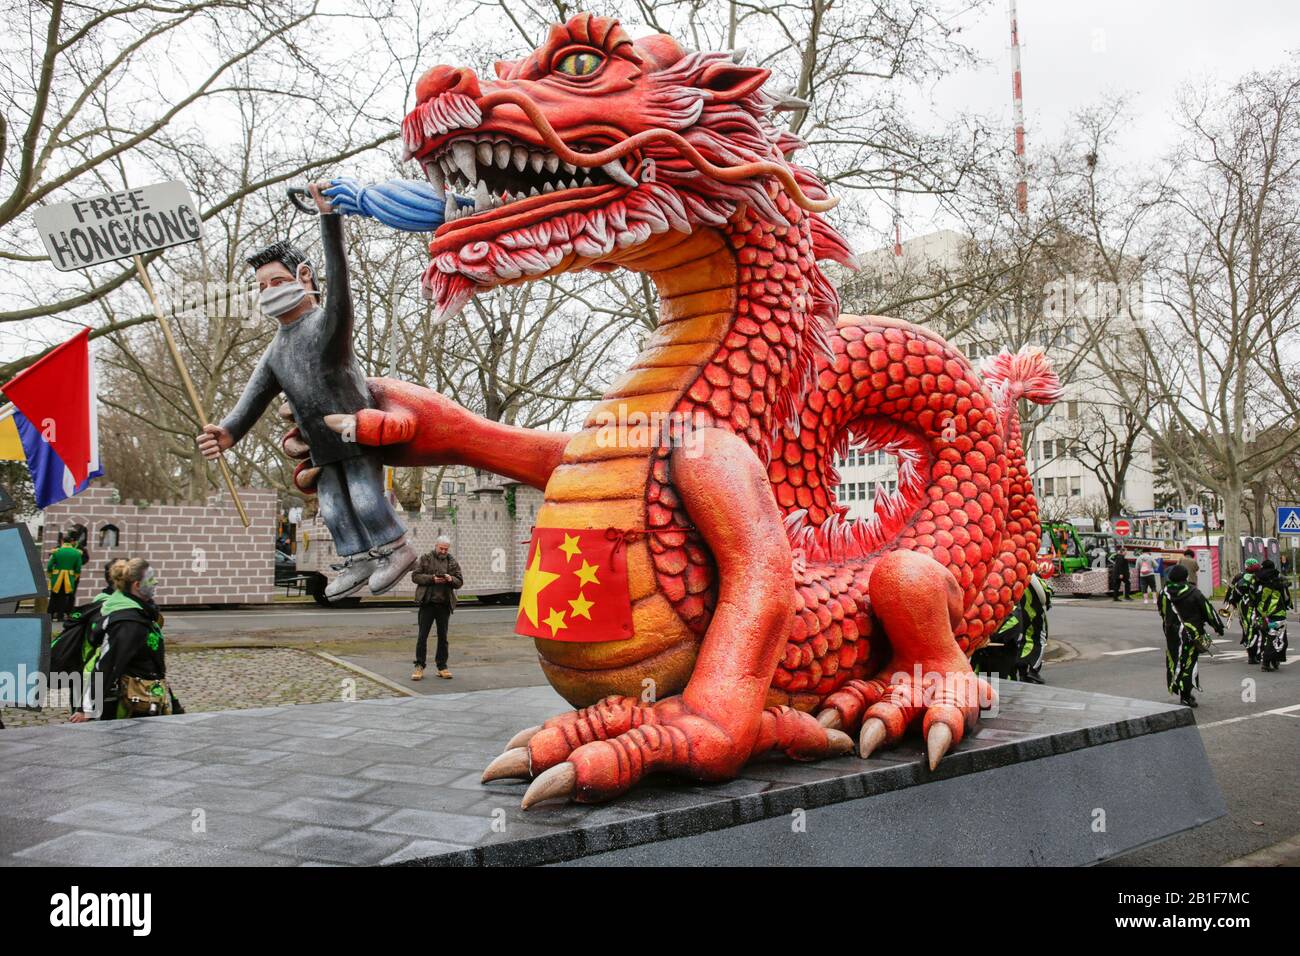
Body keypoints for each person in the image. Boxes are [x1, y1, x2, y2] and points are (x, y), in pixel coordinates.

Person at [196, 181, 414, 601]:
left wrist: (329, 220)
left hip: (356, 432)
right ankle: (357, 558)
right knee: (332, 510)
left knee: (367, 499)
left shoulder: (327, 326)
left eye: (275, 281)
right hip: (320, 446)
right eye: (260, 288)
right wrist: (227, 433)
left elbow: (342, 282)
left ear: (303, 278)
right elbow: (253, 399)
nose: (268, 292)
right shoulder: (275, 351)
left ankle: (397, 549)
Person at [72, 558, 171, 721]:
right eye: (151, 579)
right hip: (130, 703)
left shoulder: (140, 612)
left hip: (146, 695)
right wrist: (86, 709)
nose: (156, 582)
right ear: (137, 585)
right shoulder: (128, 623)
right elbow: (107, 663)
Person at [1157, 563, 1223, 708]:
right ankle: (1186, 695)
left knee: (1175, 661)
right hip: (1192, 634)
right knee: (1189, 663)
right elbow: (1208, 611)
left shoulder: (1164, 592)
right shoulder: (1194, 592)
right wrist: (1218, 627)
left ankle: (1177, 687)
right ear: (1185, 577)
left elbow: (1162, 612)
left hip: (1172, 634)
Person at [411, 536, 463, 681]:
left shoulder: (452, 561)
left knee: (443, 637)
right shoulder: (426, 558)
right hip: (427, 603)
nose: (444, 551)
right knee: (422, 636)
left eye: (446, 549)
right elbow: (415, 576)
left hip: (444, 605)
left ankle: (442, 666)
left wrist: (450, 579)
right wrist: (432, 579)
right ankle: (419, 666)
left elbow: (459, 582)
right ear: (436, 546)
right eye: (441, 548)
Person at [1252, 559, 1290, 672]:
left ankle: (1270, 660)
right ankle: (1267, 662)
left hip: (1261, 614)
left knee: (1266, 637)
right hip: (1277, 613)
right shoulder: (1278, 581)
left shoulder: (1257, 580)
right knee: (1278, 637)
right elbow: (1286, 598)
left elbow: (1253, 597)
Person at [1223, 557, 1262, 662]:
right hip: (1259, 607)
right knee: (1257, 629)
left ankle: (1251, 652)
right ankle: (1256, 653)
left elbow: (1232, 592)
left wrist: (1231, 602)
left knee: (1247, 628)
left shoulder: (1240, 577)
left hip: (1244, 607)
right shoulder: (1261, 576)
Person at [46, 532, 84, 621]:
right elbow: (78, 568)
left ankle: (49, 615)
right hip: (69, 578)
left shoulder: (57, 551)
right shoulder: (77, 553)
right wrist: (74, 577)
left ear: (63, 541)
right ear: (71, 542)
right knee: (64, 598)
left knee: (54, 596)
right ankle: (60, 616)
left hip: (57, 577)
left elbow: (49, 566)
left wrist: (51, 575)